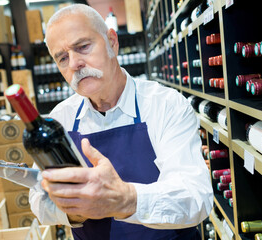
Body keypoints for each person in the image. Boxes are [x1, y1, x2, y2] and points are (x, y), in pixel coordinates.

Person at [29, 4, 213, 239]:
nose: (74, 63)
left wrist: (125, 199)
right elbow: (37, 199)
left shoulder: (165, 104)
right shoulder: (59, 120)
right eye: (62, 58)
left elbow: (196, 198)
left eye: (83, 47)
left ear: (112, 43)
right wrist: (75, 212)